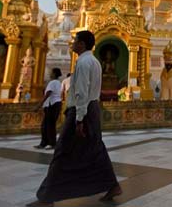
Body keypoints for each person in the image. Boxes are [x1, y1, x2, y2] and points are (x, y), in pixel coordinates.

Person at [27, 30, 121, 207]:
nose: (73, 44)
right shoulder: (94, 61)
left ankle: (47, 197)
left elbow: (81, 92)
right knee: (95, 148)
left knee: (62, 150)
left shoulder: (84, 63)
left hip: (81, 110)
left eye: (76, 41)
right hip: (91, 109)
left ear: (82, 44)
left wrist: (78, 119)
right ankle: (113, 185)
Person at [34, 68, 62, 150]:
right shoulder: (59, 83)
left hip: (52, 104)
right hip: (56, 103)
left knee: (48, 125)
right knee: (48, 125)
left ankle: (51, 143)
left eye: (51, 72)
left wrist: (38, 105)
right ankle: (45, 142)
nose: (50, 74)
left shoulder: (52, 83)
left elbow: (48, 94)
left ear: (54, 74)